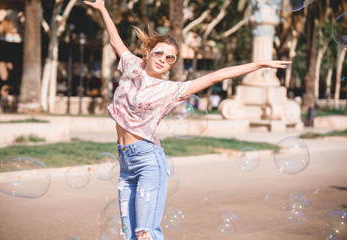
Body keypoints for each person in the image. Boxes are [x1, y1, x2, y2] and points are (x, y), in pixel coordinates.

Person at [84, 1, 292, 239]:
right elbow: (115, 40)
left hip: (147, 161)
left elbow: (217, 75)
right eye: (159, 52)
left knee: (145, 233)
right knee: (130, 234)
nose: (163, 59)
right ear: (149, 52)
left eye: (170, 58)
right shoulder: (131, 66)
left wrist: (259, 64)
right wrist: (102, 9)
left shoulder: (171, 89)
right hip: (126, 162)